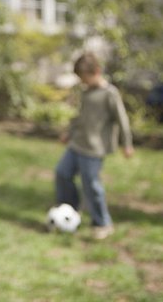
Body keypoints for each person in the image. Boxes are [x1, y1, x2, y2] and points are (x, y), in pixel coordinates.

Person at [54, 52, 134, 239]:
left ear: (96, 71)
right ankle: (70, 211)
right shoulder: (86, 93)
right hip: (77, 144)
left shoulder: (110, 94)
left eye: (85, 78)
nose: (83, 82)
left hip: (94, 149)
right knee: (62, 173)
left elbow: (122, 120)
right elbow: (81, 118)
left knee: (91, 184)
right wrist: (69, 132)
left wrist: (127, 144)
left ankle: (103, 223)